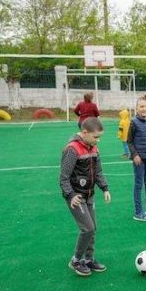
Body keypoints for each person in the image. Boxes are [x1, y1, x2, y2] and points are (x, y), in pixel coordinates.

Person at [60, 117, 111, 276]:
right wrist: (70, 195)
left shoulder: (94, 148)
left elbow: (98, 172)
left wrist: (105, 188)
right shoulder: (72, 149)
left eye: (100, 137)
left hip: (89, 195)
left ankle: (88, 259)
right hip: (76, 197)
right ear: (84, 132)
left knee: (93, 228)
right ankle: (75, 260)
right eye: (96, 137)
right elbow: (63, 177)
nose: (98, 140)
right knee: (87, 228)